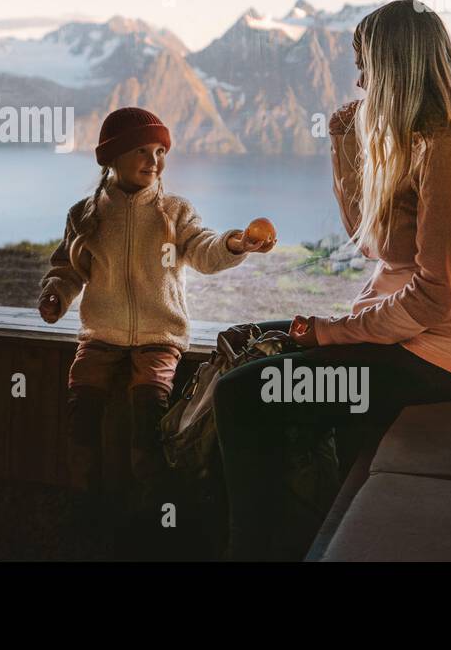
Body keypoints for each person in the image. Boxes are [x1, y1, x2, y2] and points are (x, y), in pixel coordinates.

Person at [213, 0, 451, 560]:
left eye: (365, 64)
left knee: (242, 395)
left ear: (396, 68)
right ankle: (298, 536)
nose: (358, 79)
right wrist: (345, 146)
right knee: (246, 346)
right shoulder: (421, 141)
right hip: (404, 342)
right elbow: (374, 244)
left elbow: (438, 295)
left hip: (434, 360)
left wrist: (328, 333)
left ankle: (252, 552)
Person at [38, 106, 277, 515]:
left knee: (149, 410)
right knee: (82, 408)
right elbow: (68, 266)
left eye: (160, 151)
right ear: (112, 158)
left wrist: (234, 244)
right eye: (142, 151)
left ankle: (152, 506)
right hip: (100, 336)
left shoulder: (175, 212)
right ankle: (84, 499)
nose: (154, 161)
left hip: (159, 337)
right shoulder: (86, 214)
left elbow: (203, 250)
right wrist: (57, 294)